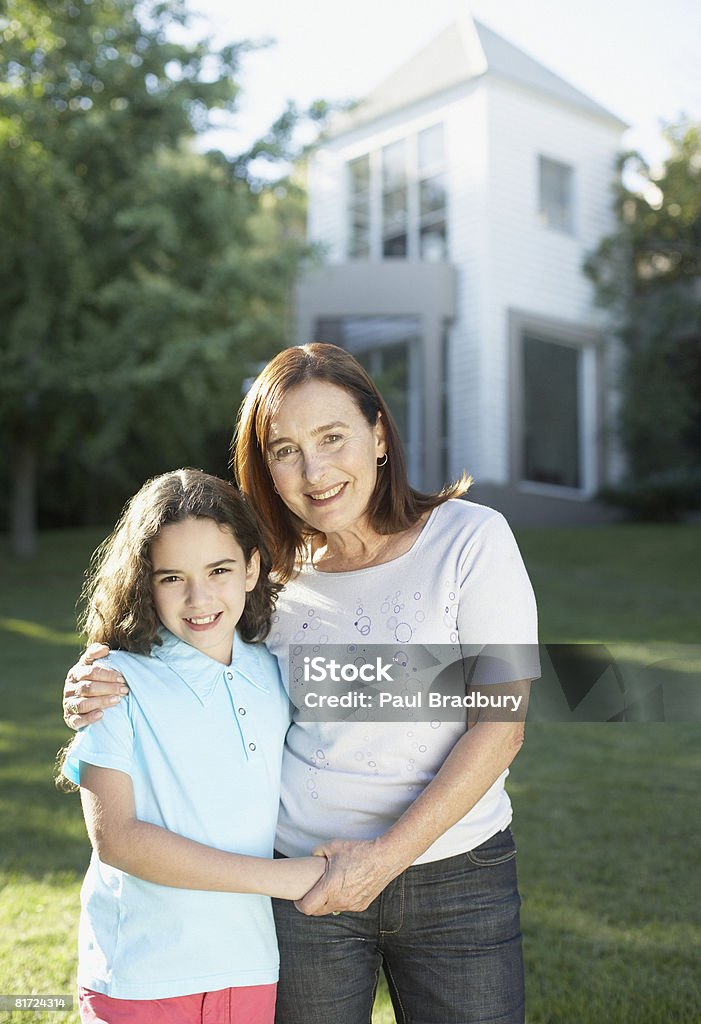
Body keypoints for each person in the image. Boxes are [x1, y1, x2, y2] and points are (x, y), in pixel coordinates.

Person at [64, 344, 539, 1024]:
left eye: (331, 438)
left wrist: (382, 860)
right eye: (285, 450)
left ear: (378, 434)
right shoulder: (265, 573)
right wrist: (91, 677)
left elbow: (501, 721)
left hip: (457, 873)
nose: (313, 471)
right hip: (303, 884)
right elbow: (178, 636)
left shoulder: (470, 540)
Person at [59, 468, 325, 1024]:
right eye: (172, 577)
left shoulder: (277, 671)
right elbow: (118, 841)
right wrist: (282, 878)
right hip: (140, 973)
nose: (199, 597)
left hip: (248, 969)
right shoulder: (112, 683)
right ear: (145, 583)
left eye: (220, 570)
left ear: (252, 568)